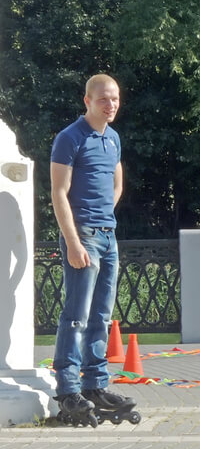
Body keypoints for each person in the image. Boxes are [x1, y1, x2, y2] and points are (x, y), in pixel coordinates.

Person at [49, 73, 134, 421]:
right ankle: (68, 389)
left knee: (101, 315)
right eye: (103, 99)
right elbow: (58, 193)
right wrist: (73, 241)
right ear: (87, 101)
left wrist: (104, 220)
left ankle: (94, 384)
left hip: (107, 235)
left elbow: (116, 183)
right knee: (76, 316)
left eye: (114, 99)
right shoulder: (70, 138)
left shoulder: (112, 138)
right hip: (82, 236)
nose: (110, 105)